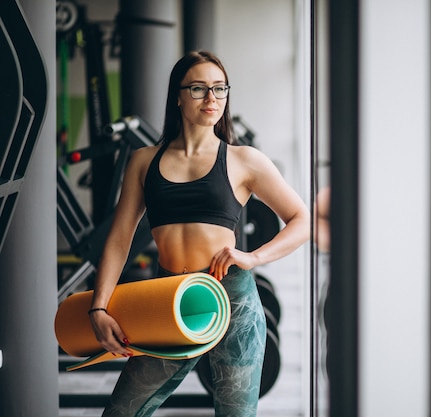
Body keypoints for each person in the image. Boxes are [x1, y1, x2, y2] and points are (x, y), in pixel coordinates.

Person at [88, 50, 310, 417]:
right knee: (122, 411)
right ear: (177, 95)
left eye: (220, 89)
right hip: (170, 300)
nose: (212, 99)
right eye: (199, 88)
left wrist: (253, 257)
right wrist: (99, 305)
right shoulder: (144, 160)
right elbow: (119, 238)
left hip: (232, 300)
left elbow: (301, 219)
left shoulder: (244, 160)